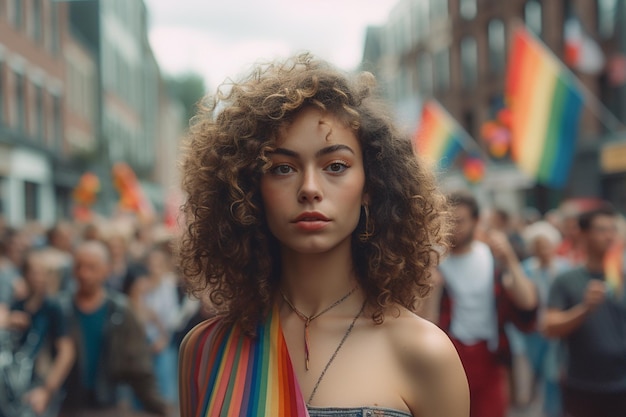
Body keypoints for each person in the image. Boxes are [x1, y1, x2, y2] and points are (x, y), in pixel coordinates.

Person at [177, 53, 469, 417]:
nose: (310, 188)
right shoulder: (206, 350)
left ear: (370, 187)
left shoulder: (424, 353)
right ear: (250, 190)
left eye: (335, 166)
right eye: (283, 168)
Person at [430, 190, 538, 417]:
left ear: (476, 221)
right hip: (448, 358)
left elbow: (528, 304)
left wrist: (509, 259)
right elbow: (424, 323)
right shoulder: (432, 262)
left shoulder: (493, 257)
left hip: (489, 357)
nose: (453, 228)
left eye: (459, 221)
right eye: (448, 221)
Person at [58, 240, 168, 417]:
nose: (83, 274)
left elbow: (139, 366)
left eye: (91, 267)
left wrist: (159, 407)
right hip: (69, 404)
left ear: (106, 270)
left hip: (109, 403)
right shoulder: (61, 308)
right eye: (79, 266)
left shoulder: (120, 310)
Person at [543, 205, 626, 417]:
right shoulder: (566, 280)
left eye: (612, 230)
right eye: (601, 230)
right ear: (583, 234)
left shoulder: (621, 276)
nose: (609, 236)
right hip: (583, 384)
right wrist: (584, 309)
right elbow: (549, 327)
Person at [0, 250, 75, 417]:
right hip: (14, 388)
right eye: (34, 272)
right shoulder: (18, 305)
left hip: (38, 385)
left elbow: (66, 352)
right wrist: (8, 322)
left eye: (43, 273)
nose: (39, 278)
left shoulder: (54, 307)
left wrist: (47, 391)